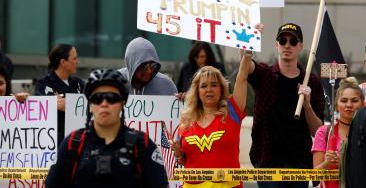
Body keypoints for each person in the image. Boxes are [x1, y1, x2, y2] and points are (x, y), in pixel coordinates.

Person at [45, 69, 168, 188]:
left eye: (111, 97)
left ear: (123, 103)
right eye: (97, 98)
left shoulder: (142, 144)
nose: (104, 103)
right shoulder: (72, 144)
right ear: (90, 105)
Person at [244, 23, 325, 188]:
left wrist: (307, 106)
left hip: (299, 163)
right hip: (267, 160)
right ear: (276, 44)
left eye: (293, 41)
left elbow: (317, 131)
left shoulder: (312, 83)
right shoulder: (265, 74)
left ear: (300, 46)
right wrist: (247, 41)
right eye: (283, 40)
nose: (287, 45)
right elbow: (247, 66)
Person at [170, 50, 252, 188]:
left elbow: (242, 78)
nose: (209, 89)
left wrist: (246, 57)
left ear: (221, 89)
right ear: (197, 91)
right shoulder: (186, 119)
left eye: (214, 85)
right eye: (203, 86)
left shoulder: (232, 112)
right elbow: (187, 161)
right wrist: (178, 154)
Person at [312, 77, 364, 188]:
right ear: (336, 105)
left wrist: (344, 163)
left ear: (363, 104)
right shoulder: (324, 132)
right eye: (344, 100)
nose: (349, 105)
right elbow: (314, 177)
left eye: (354, 101)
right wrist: (327, 163)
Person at [35, 44, 84, 143]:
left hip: (77, 141)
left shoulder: (79, 83)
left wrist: (69, 104)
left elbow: (90, 104)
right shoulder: (44, 84)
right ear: (63, 62)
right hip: (52, 143)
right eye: (74, 59)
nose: (77, 62)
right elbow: (43, 107)